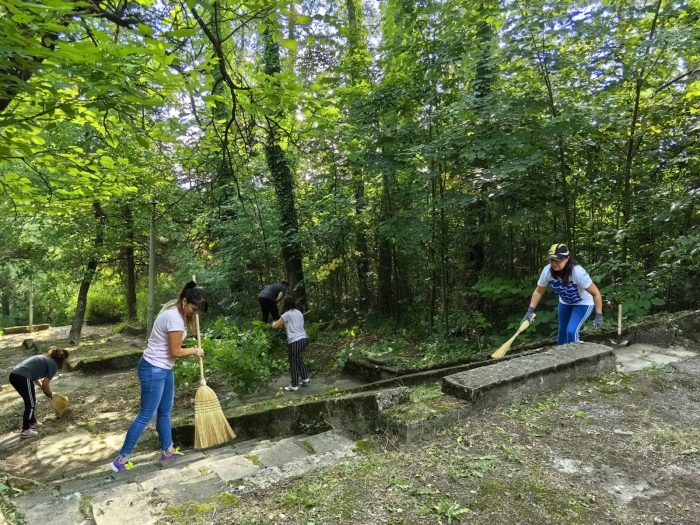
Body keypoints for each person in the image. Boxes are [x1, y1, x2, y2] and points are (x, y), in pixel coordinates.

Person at [111, 281, 208, 472]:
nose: (195, 313)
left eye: (198, 311)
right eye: (193, 309)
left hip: (163, 368)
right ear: (185, 301)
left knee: (165, 411)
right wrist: (195, 350)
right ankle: (121, 459)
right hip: (153, 369)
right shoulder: (174, 318)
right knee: (146, 414)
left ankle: (168, 450)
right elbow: (175, 352)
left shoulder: (177, 310)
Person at [523, 243, 604, 345]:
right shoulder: (547, 271)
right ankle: (561, 357)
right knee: (562, 331)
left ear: (567, 259)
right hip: (565, 302)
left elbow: (596, 293)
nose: (554, 263)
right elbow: (539, 291)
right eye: (551, 260)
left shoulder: (578, 273)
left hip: (583, 302)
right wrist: (530, 311)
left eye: (558, 260)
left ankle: (575, 359)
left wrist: (599, 315)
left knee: (571, 331)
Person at [9, 347, 70, 438]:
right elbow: (46, 383)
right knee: (30, 403)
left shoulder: (45, 359)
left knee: (30, 400)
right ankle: (26, 430)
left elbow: (36, 377)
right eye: (65, 360)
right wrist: (49, 394)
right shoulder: (53, 364)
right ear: (62, 359)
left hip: (15, 375)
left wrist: (43, 388)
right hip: (23, 377)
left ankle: (33, 422)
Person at [272, 296, 310, 392]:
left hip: (295, 340)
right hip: (303, 339)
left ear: (285, 304)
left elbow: (276, 326)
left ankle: (294, 385)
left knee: (293, 362)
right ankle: (305, 378)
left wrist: (273, 323)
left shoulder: (287, 314)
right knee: (297, 358)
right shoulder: (299, 312)